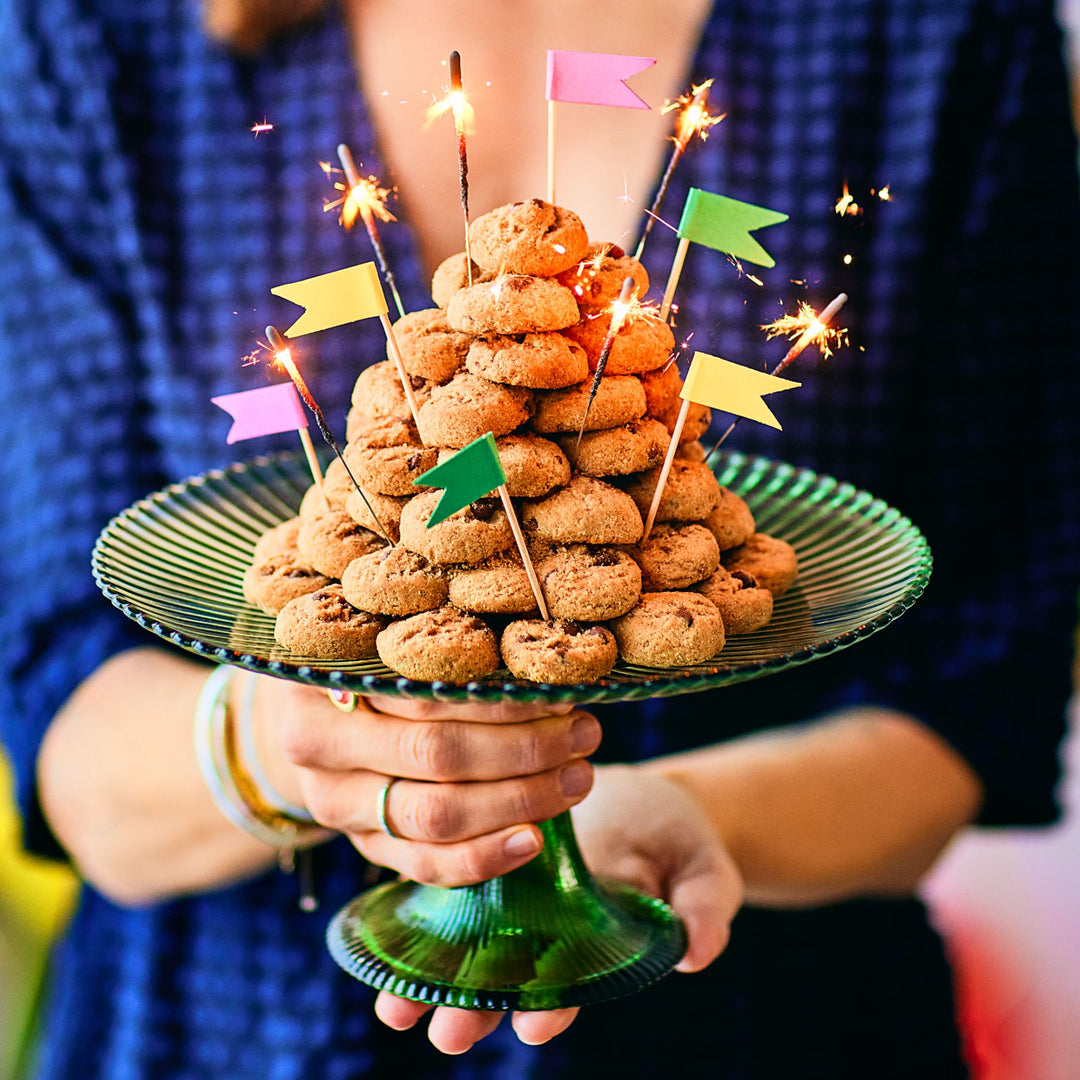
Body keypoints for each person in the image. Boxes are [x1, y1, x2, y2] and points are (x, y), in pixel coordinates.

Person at [0, 0, 1077, 1075]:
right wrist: (275, 748)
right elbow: (61, 707)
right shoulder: (95, 31)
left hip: (764, 1028)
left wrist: (685, 816)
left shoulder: (940, 31)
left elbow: (977, 697)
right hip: (227, 1033)